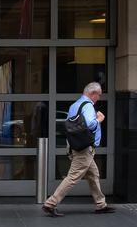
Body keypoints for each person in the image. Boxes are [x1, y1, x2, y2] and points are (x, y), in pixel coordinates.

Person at [42, 82, 115, 217]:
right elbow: (90, 124)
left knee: (93, 175)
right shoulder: (87, 106)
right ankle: (50, 203)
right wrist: (99, 119)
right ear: (93, 94)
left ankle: (101, 204)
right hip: (84, 149)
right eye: (98, 95)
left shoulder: (75, 105)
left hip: (76, 145)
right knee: (73, 177)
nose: (98, 98)